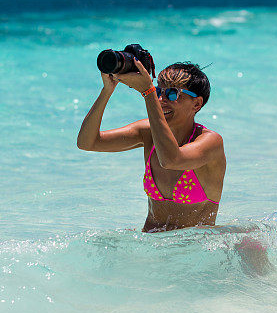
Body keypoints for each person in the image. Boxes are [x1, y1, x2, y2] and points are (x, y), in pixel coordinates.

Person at [77, 57, 226, 232]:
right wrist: (107, 89)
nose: (161, 99)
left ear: (197, 104)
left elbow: (171, 160)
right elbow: (87, 142)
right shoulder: (148, 132)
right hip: (150, 245)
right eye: (158, 91)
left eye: (172, 93)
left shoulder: (210, 141)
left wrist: (148, 92)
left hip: (194, 250)